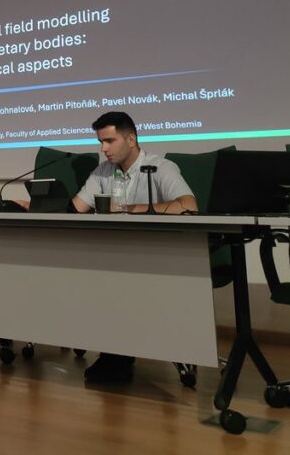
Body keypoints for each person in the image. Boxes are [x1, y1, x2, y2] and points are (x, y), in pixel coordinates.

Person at [69, 110, 197, 382]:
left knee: (114, 275)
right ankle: (114, 350)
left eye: (109, 141)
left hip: (157, 255)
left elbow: (188, 206)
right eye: (101, 142)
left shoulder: (160, 167)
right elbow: (76, 208)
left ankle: (117, 355)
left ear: (131, 139)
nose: (103, 149)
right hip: (115, 254)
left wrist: (131, 209)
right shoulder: (103, 171)